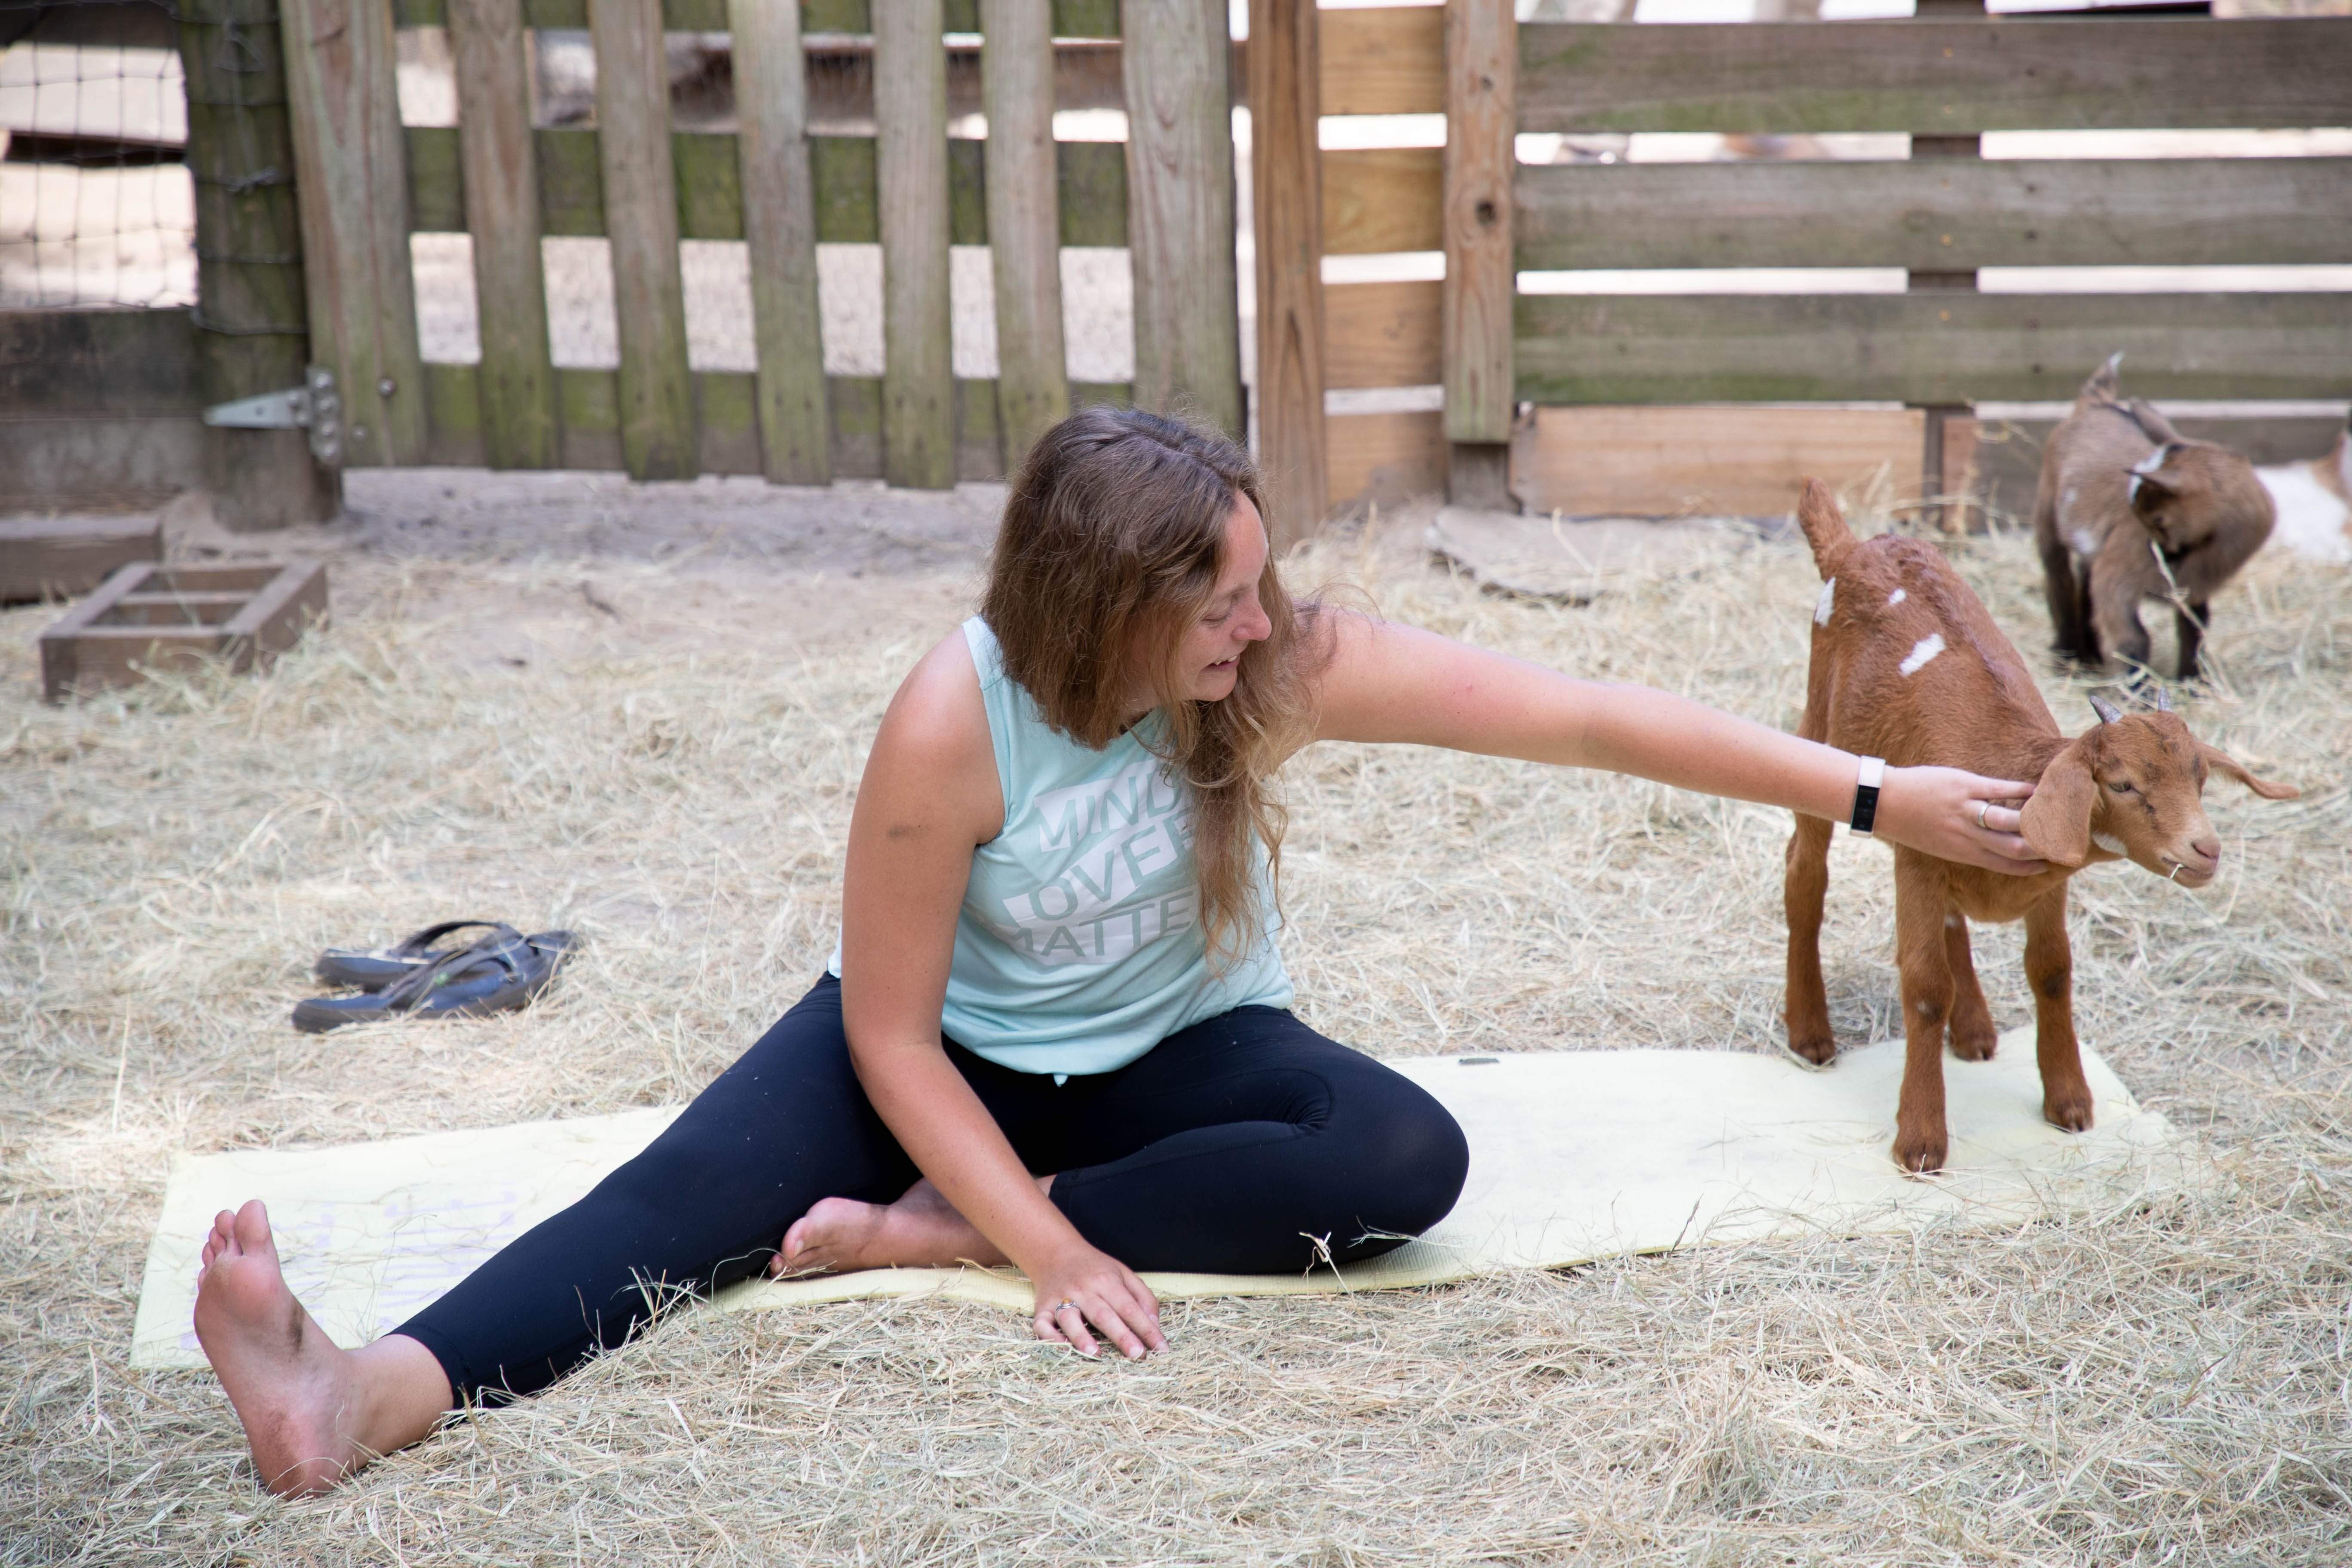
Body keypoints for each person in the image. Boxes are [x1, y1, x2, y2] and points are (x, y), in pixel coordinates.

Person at [191, 408, 2047, 1496]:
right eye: (1221, 600)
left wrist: (1874, 791)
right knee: (672, 1208)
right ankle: (350, 1397)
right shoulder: (954, 722)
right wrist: (1061, 1252)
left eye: (1259, 581)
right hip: (950, 1062)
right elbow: (892, 1041)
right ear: (1107, 609)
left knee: (1403, 1158)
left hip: (1175, 1051)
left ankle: (933, 1231)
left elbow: (1588, 719)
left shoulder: (1281, 664)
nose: (1261, 622)